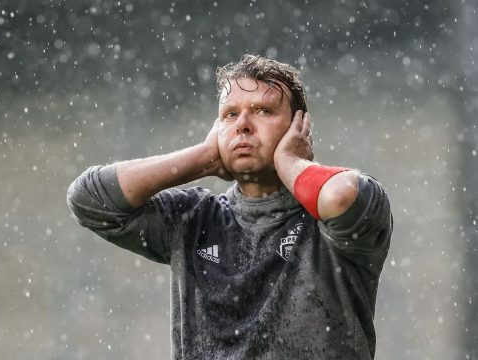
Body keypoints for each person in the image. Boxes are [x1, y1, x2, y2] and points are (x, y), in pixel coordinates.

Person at [66, 54, 393, 359]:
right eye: (230, 115)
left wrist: (289, 161)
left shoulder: (329, 221)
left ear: (299, 127)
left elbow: (341, 196)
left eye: (263, 111)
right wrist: (202, 159)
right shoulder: (193, 218)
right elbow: (88, 199)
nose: (243, 125)